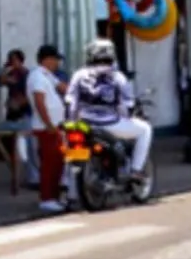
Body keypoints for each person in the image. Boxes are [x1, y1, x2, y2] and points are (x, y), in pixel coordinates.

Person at [64, 38, 151, 182]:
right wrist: (128, 114)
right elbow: (128, 106)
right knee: (145, 129)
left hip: (84, 123)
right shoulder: (118, 77)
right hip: (110, 124)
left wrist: (70, 121)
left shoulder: (78, 75)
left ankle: (69, 192)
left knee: (73, 155)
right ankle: (136, 170)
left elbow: (70, 102)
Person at [26, 44, 67, 213]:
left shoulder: (48, 75)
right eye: (56, 60)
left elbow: (63, 88)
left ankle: (54, 196)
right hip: (46, 127)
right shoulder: (37, 77)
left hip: (55, 126)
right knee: (50, 164)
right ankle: (47, 198)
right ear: (47, 60)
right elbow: (39, 102)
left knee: (58, 162)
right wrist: (49, 124)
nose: (57, 63)